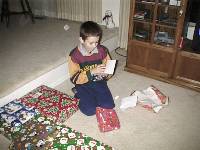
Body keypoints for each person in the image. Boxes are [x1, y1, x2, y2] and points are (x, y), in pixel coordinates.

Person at [68, 21, 115, 116]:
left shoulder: (102, 50)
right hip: (83, 84)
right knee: (90, 111)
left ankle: (91, 96)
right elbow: (74, 78)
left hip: (99, 82)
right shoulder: (74, 55)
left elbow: (109, 69)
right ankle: (77, 94)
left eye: (97, 42)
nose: (94, 46)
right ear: (81, 40)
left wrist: (106, 74)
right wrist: (92, 72)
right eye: (91, 43)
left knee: (109, 106)